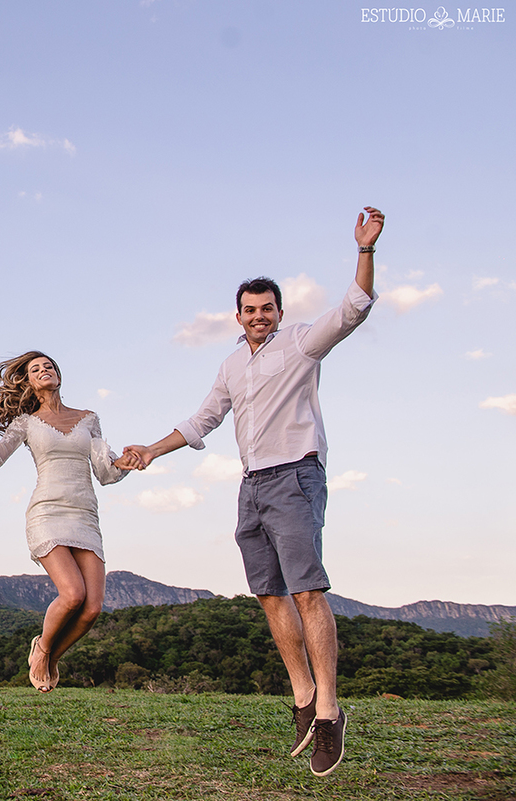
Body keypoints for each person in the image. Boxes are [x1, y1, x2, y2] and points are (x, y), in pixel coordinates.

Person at [121, 206, 385, 777]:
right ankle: (304, 699)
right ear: (237, 316)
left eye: (267, 309)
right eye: (250, 310)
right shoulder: (230, 366)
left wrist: (364, 250)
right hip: (251, 485)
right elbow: (202, 421)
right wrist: (148, 451)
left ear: (279, 312)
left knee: (308, 591)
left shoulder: (300, 344)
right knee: (269, 594)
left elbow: (353, 310)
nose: (258, 317)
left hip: (294, 475)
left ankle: (332, 711)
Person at [0, 351, 140, 692]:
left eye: (48, 365)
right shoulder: (25, 423)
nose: (44, 370)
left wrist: (127, 461)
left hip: (84, 514)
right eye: (36, 369)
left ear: (58, 375)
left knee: (92, 608)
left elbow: (104, 469)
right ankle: (42, 648)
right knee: (72, 595)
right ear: (29, 383)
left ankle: (50, 656)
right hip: (47, 512)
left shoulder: (89, 418)